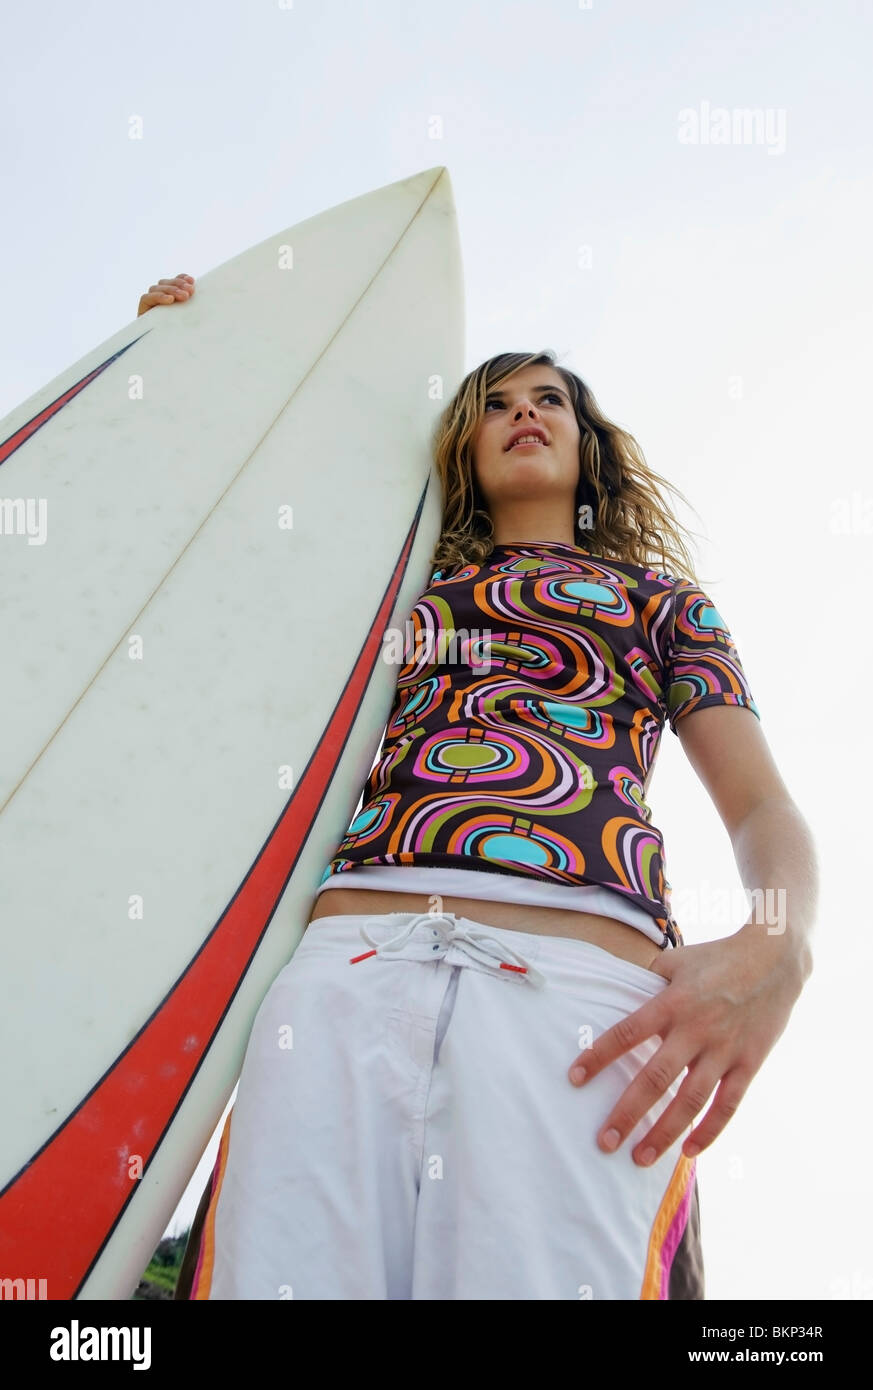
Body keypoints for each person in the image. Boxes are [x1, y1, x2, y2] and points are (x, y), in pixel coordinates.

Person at [144, 274, 817, 1300]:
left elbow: (761, 803)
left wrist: (780, 941)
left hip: (581, 1002)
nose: (523, 415)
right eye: (496, 403)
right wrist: (191, 364)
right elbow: (221, 559)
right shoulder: (391, 591)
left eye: (549, 399)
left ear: (589, 448)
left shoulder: (662, 600)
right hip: (337, 984)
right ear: (460, 445)